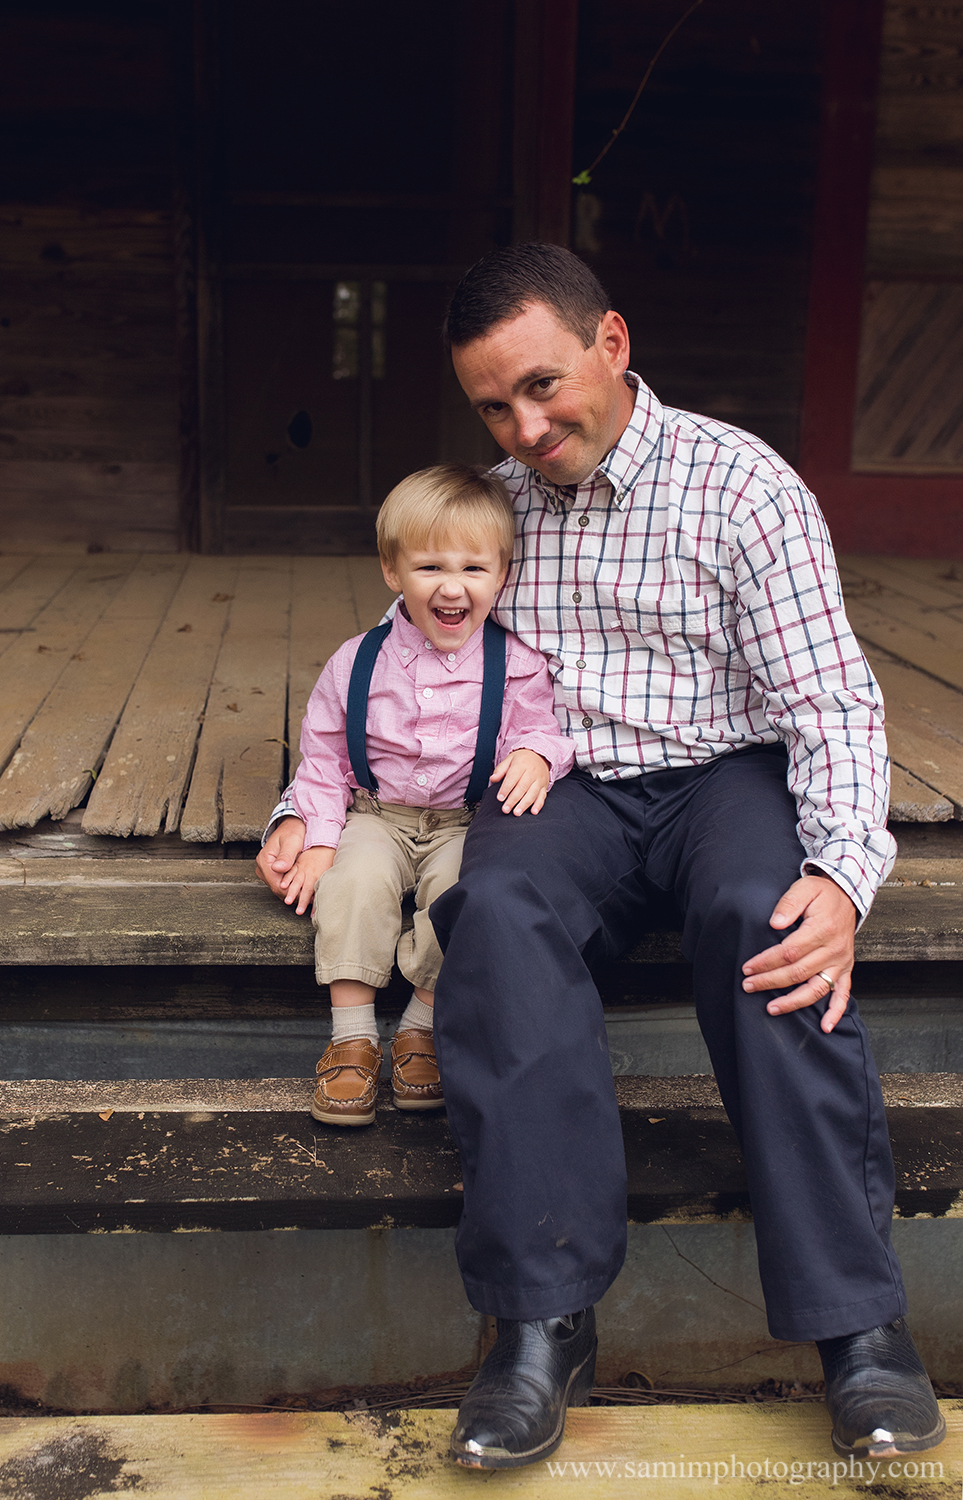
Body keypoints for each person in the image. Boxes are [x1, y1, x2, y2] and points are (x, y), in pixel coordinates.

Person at [428, 243, 945, 1470]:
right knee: (494, 908)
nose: (528, 425)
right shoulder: (492, 507)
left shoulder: (739, 486)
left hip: (725, 778)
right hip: (565, 781)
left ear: (613, 342)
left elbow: (829, 701)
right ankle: (539, 1324)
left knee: (767, 921)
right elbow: (403, 665)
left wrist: (839, 875)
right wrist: (318, 802)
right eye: (496, 405)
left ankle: (858, 1326)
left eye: (545, 385)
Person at [255, 463, 574, 1127]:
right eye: (429, 567)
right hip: (379, 814)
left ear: (503, 575)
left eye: (473, 569)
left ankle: (420, 1027)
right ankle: (352, 1038)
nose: (452, 587)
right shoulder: (357, 660)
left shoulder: (515, 663)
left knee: (468, 894)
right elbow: (324, 758)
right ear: (392, 571)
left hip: (465, 821)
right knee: (353, 880)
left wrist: (535, 755)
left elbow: (542, 727)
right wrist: (317, 838)